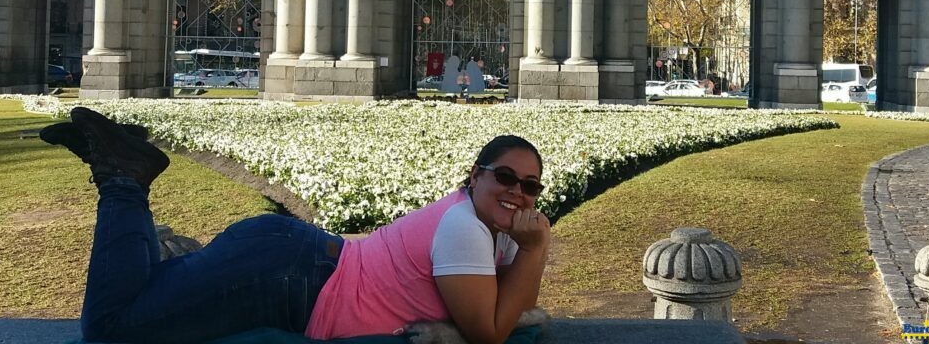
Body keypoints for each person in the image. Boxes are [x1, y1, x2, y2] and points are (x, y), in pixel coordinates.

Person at [41, 108, 551, 343]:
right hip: (287, 281)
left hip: (289, 261)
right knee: (111, 328)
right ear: (474, 176)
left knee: (147, 300)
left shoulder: (486, 227)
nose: (516, 192)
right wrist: (536, 247)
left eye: (530, 187)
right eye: (505, 177)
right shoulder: (464, 227)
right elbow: (489, 333)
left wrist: (523, 248)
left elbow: (510, 303)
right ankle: (122, 178)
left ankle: (120, 162)